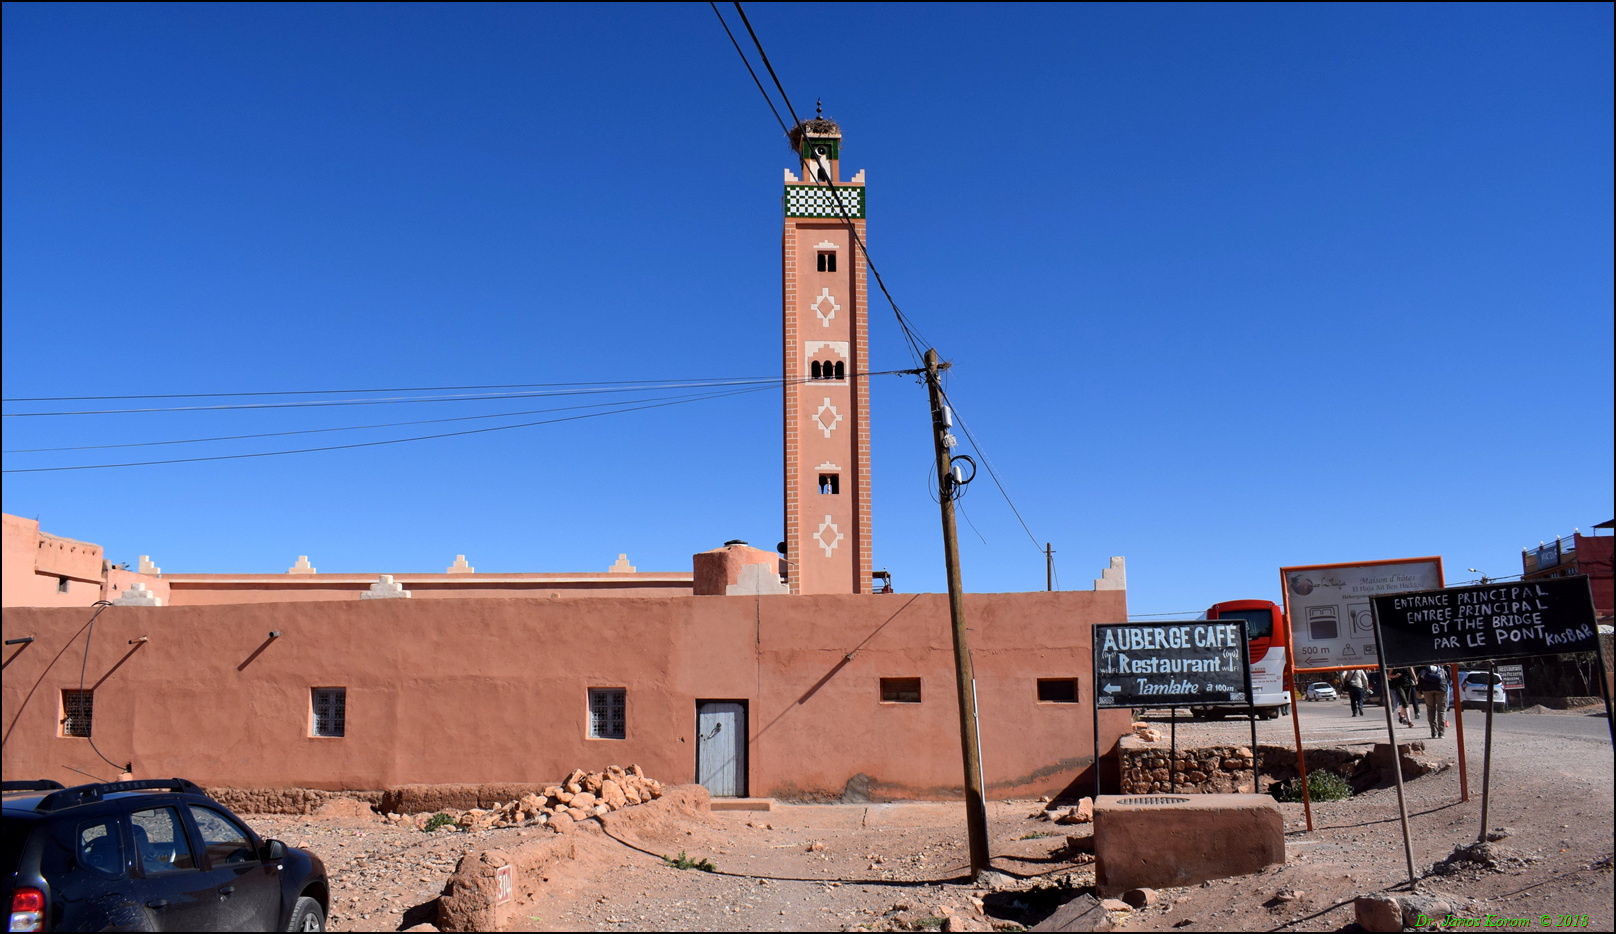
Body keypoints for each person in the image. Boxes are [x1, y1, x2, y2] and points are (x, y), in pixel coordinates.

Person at [1418, 664, 1448, 738]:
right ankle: (1441, 733)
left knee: (1430, 709)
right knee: (1441, 710)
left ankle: (1433, 732)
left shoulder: (1423, 663)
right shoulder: (1441, 664)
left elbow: (1419, 677)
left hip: (1427, 688)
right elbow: (1449, 676)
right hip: (1441, 687)